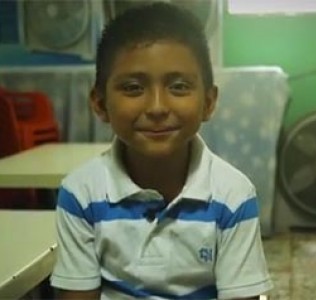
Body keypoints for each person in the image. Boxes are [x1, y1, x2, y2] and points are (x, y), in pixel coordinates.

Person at [50, 2, 273, 299]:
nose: (157, 107)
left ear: (208, 102)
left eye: (179, 87)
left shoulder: (234, 197)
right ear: (101, 104)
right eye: (133, 88)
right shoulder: (80, 194)